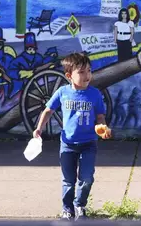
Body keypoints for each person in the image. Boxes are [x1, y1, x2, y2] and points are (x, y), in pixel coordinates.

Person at [32, 52, 112, 221]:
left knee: (87, 178)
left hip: (89, 144)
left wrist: (103, 127)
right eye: (81, 72)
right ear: (69, 76)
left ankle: (79, 205)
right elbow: (48, 111)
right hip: (67, 144)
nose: (87, 75)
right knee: (68, 181)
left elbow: (100, 116)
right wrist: (39, 129)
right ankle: (67, 209)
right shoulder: (62, 92)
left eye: (89, 71)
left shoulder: (95, 94)